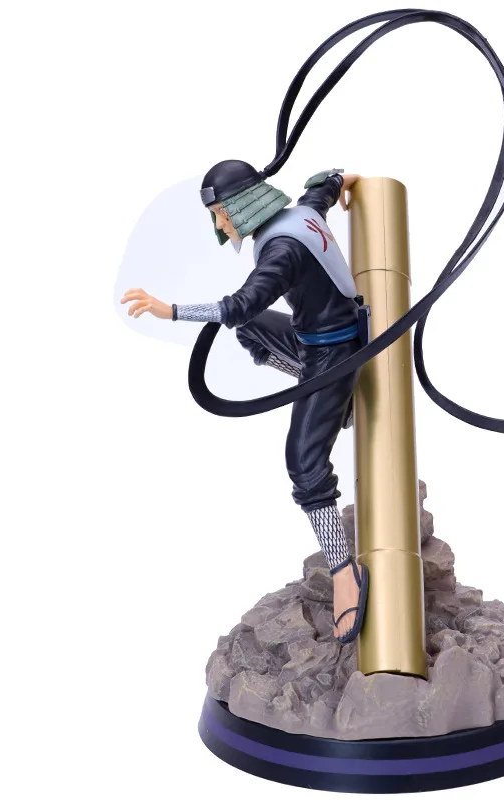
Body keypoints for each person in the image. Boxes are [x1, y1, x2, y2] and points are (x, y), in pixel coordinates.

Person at [121, 161, 368, 644]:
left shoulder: (282, 250)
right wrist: (341, 180)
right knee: (251, 332)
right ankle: (328, 399)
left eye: (220, 213)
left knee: (304, 466)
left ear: (240, 205)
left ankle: (344, 571)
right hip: (313, 340)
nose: (220, 224)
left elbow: (239, 305)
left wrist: (170, 310)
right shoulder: (301, 213)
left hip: (335, 352)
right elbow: (321, 188)